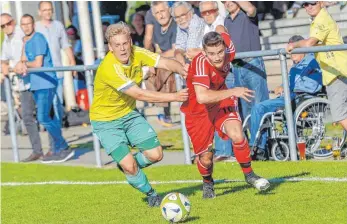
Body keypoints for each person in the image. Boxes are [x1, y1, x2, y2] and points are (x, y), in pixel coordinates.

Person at [89, 22, 188, 207]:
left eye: (125, 43)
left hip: (128, 114)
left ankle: (128, 166)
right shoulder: (109, 68)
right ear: (110, 48)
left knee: (156, 154)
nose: (122, 49)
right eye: (117, 45)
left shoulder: (137, 52)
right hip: (105, 121)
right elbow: (140, 94)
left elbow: (164, 62)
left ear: (130, 41)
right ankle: (150, 193)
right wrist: (174, 96)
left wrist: (182, 69)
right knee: (130, 166)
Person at [181, 31, 270, 199]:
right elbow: (202, 97)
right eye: (212, 54)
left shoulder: (228, 48)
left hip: (221, 99)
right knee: (206, 158)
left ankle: (249, 175)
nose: (217, 57)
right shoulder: (200, 63)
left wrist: (219, 27)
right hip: (198, 111)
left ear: (225, 48)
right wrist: (234, 91)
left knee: (237, 134)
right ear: (204, 52)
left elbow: (223, 30)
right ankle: (208, 182)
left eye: (220, 52)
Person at [14, 14, 74, 163]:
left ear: (33, 24)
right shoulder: (27, 41)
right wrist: (21, 60)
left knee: (43, 118)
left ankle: (63, 147)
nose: (26, 27)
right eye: (23, 24)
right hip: (36, 85)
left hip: (46, 83)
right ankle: (58, 149)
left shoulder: (39, 38)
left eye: (28, 23)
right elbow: (23, 60)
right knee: (46, 118)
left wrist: (24, 65)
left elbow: (37, 63)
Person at [251, 35, 322, 159]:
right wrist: (281, 86)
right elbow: (289, 83)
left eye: (293, 52)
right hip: (289, 96)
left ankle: (257, 150)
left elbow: (313, 86)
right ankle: (258, 147)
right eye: (290, 53)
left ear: (302, 50)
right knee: (259, 108)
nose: (291, 56)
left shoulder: (313, 62)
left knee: (260, 107)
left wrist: (290, 89)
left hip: (302, 98)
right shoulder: (295, 67)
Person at [286, 1, 347, 132]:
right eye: (305, 4)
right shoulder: (318, 19)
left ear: (320, 2)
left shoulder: (321, 20)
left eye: (312, 3)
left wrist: (294, 45)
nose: (309, 7)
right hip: (336, 72)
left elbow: (309, 43)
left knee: (340, 115)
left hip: (337, 73)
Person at [224, 1, 270, 158]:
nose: (227, 3)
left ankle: (262, 147)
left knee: (259, 106)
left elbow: (251, 8)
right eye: (224, 1)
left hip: (253, 64)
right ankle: (253, 147)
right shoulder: (226, 20)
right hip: (237, 67)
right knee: (245, 110)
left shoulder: (247, 14)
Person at [1, 13, 45, 162]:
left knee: (45, 116)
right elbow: (4, 59)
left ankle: (56, 148)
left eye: (8, 24)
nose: (6, 28)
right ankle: (38, 150)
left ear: (13, 22)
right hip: (23, 84)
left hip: (36, 80)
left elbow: (27, 56)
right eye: (2, 26)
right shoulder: (7, 40)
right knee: (27, 117)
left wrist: (17, 64)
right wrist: (5, 66)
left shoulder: (22, 35)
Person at [199, 1, 235, 162]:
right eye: (204, 13)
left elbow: (224, 40)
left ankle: (225, 151)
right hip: (211, 77)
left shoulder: (219, 24)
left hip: (224, 75)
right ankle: (222, 150)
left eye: (211, 11)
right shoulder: (206, 27)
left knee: (225, 111)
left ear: (216, 10)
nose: (207, 14)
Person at [36, 1, 77, 126]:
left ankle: (58, 126)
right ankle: (48, 128)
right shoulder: (36, 27)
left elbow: (65, 44)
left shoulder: (58, 25)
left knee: (57, 101)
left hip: (57, 71)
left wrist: (72, 61)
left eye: (49, 9)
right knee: (45, 103)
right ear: (39, 12)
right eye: (44, 10)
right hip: (42, 73)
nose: (47, 12)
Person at [144, 1, 179, 127]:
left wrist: (155, 60)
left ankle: (164, 112)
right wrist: (150, 61)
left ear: (169, 10)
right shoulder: (155, 25)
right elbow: (148, 39)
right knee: (149, 74)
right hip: (162, 58)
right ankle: (160, 109)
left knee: (164, 71)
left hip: (178, 59)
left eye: (163, 11)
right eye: (157, 13)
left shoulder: (175, 24)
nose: (161, 15)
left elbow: (175, 51)